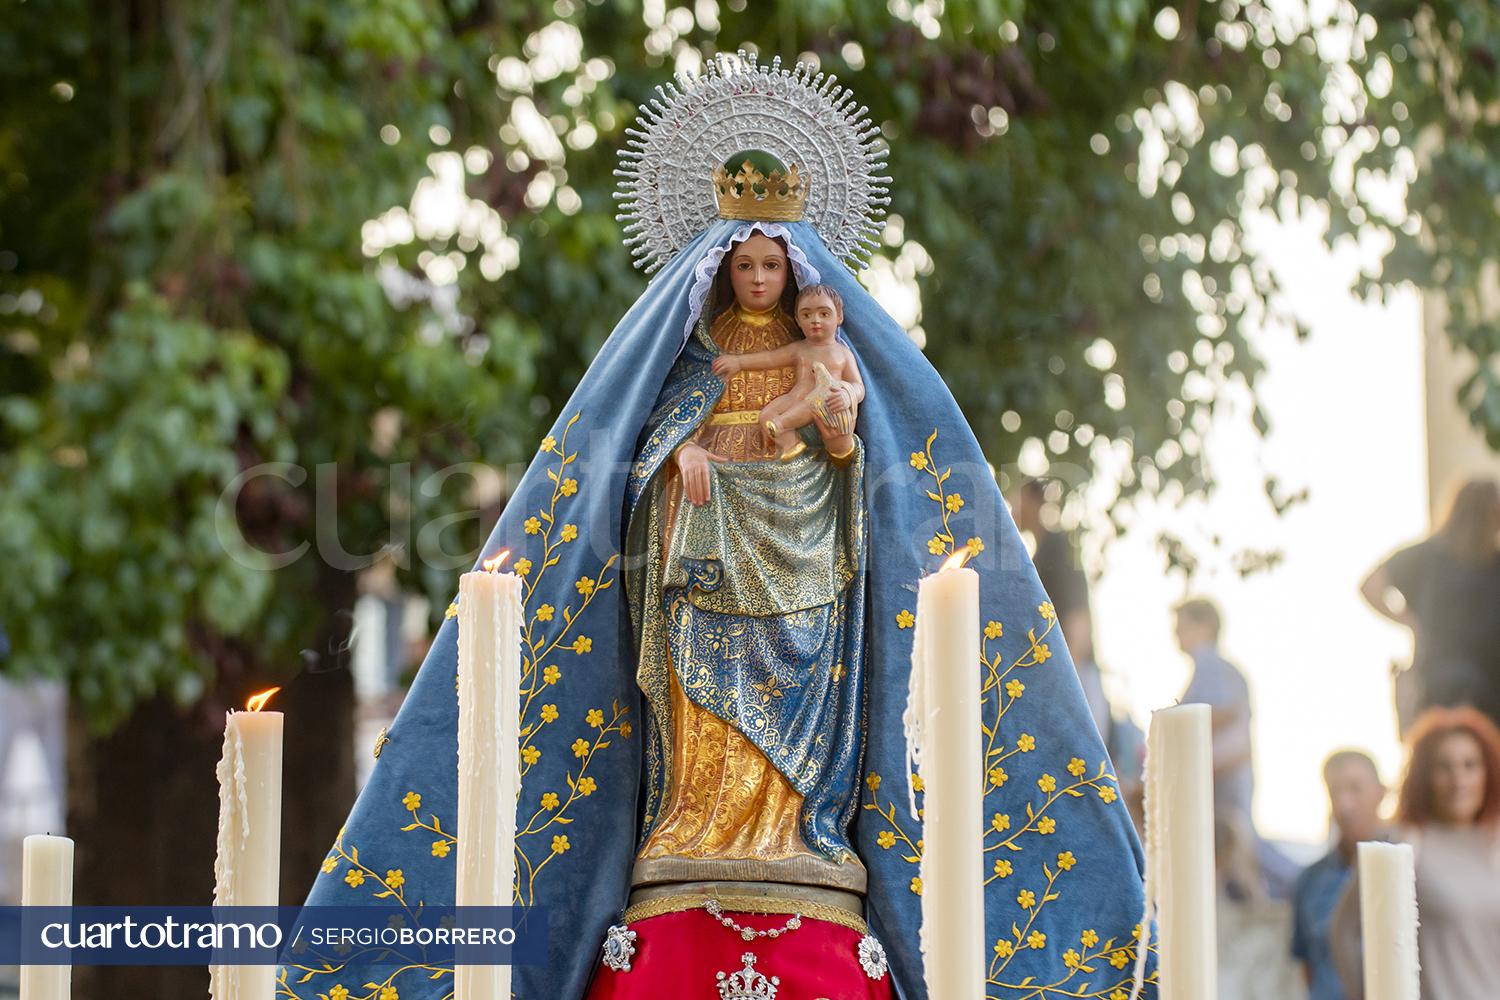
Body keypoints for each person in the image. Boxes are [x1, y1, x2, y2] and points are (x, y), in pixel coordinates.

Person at [283, 54, 1155, 1000]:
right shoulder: (689, 352)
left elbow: (857, 453)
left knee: (804, 696)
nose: (755, 276)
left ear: (798, 269)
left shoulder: (822, 345)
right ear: (720, 266)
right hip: (700, 552)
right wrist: (677, 459)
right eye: (741, 262)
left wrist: (835, 427)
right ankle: (694, 824)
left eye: (771, 263)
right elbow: (641, 448)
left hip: (808, 553)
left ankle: (797, 831)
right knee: (700, 709)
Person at [1330, 706, 1500, 999]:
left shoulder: (1494, 843)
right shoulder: (1404, 844)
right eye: (1444, 767)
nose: (1458, 781)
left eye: (1470, 765)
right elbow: (1343, 931)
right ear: (1425, 776)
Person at [1173, 598, 1299, 900]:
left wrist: (1175, 732)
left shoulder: (1213, 668)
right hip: (1222, 777)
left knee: (1243, 845)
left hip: (1225, 778)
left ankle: (1299, 884)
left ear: (1205, 626)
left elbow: (1223, 714)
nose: (1176, 633)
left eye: (1182, 625)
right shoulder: (1214, 669)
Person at [1361, 477, 1500, 734]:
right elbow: (1371, 586)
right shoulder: (1430, 556)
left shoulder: (1426, 554)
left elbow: (1371, 586)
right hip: (1448, 679)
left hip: (1450, 677)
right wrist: (1410, 621)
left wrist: (1409, 621)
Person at [710, 282, 864, 460]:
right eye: (807, 314)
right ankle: (791, 444)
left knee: (800, 411)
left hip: (824, 402)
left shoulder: (843, 353)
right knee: (766, 415)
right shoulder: (799, 349)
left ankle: (782, 424)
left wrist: (847, 394)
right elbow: (770, 358)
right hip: (795, 397)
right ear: (798, 320)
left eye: (824, 314)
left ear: (839, 317)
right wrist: (738, 362)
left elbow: (858, 385)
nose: (815, 320)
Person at [1291, 750, 1388, 1000]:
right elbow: (1307, 964)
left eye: (1356, 789)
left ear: (1381, 792)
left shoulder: (1408, 869)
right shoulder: (1310, 881)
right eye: (1336, 792)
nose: (1345, 804)